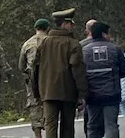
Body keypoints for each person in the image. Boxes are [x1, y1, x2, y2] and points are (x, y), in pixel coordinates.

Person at [35, 8, 89, 138]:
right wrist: (82, 93)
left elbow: (35, 69)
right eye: (71, 23)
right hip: (68, 91)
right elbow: (77, 70)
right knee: (67, 126)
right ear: (65, 24)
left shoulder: (44, 42)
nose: (73, 26)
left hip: (48, 91)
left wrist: (37, 91)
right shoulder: (73, 44)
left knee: (50, 126)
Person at [20, 20, 52, 138]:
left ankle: (38, 134)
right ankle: (50, 132)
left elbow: (21, 65)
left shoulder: (27, 44)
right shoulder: (51, 41)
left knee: (34, 105)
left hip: (33, 79)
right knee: (50, 105)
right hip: (50, 78)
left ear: (35, 28)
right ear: (47, 28)